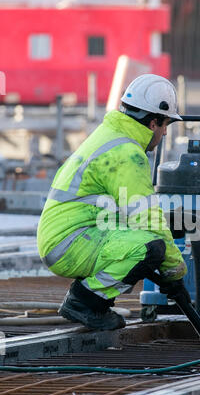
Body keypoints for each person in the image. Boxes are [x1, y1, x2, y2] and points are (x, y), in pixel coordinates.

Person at [37, 74, 190, 331]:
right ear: (153, 123)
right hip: (70, 243)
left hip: (71, 236)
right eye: (165, 126)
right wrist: (175, 270)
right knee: (150, 248)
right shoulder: (127, 153)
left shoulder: (110, 134)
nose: (164, 133)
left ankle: (92, 299)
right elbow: (149, 221)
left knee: (147, 243)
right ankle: (86, 301)